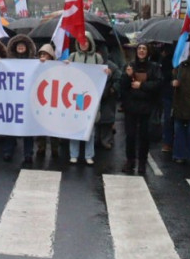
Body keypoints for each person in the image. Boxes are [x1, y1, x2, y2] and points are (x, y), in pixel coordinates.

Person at [67, 33, 111, 166]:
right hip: (77, 96)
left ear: (90, 42)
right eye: (81, 41)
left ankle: (88, 155)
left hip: (91, 97)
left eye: (86, 41)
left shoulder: (97, 58)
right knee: (75, 126)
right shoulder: (73, 56)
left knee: (90, 127)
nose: (84, 43)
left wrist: (107, 73)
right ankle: (74, 154)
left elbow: (102, 77)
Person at [119, 43, 162, 175]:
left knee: (144, 136)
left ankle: (142, 163)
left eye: (144, 49)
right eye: (139, 49)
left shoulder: (154, 67)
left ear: (148, 52)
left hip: (146, 107)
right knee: (130, 135)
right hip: (131, 107)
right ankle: (130, 161)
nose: (141, 51)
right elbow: (123, 85)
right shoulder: (130, 66)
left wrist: (141, 85)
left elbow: (158, 84)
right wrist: (127, 76)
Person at [2, 34, 38, 166]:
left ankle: (28, 154)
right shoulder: (7, 63)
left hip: (28, 100)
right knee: (10, 127)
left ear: (27, 48)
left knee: (28, 129)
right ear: (15, 48)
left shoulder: (35, 62)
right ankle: (7, 151)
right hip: (12, 100)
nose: (21, 47)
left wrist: (44, 63)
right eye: (18, 45)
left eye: (23, 45)